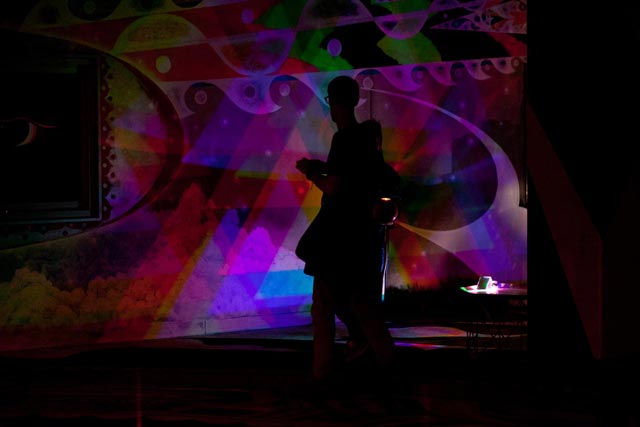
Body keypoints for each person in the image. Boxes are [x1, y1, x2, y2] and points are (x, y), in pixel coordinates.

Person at [295, 75, 400, 384]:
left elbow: (336, 186)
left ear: (333, 102)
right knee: (363, 305)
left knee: (323, 307)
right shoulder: (368, 141)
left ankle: (323, 373)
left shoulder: (344, 140)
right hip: (361, 238)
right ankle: (389, 367)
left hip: (337, 238)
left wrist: (312, 172)